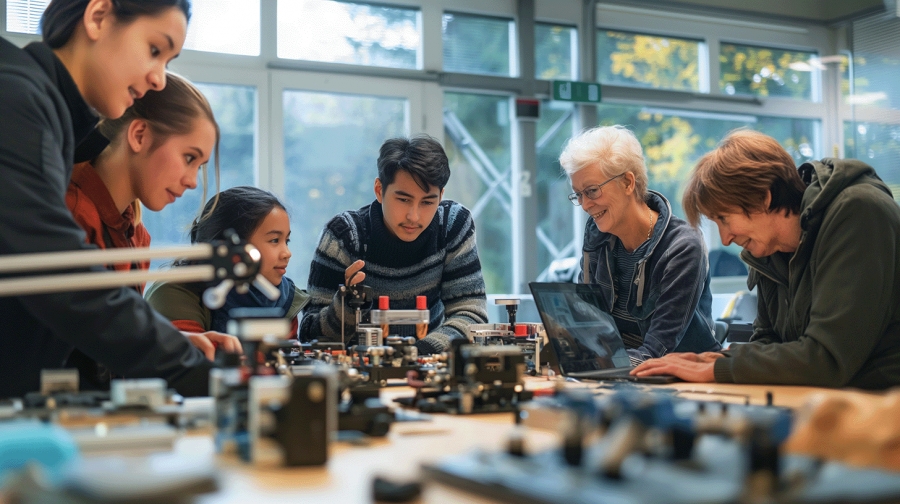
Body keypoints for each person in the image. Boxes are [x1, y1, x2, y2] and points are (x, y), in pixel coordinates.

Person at [0, 0, 215, 399]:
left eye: (168, 61)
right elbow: (59, 274)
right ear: (98, 17)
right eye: (155, 50)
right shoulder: (17, 99)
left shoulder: (50, 118)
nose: (159, 80)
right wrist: (200, 375)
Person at [632, 129, 900, 389]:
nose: (725, 239)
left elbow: (827, 358)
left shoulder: (857, 211)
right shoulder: (768, 249)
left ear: (762, 198)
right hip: (828, 400)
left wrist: (718, 369)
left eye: (724, 219)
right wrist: (714, 359)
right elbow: (769, 342)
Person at [64, 72, 242, 390]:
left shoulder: (135, 234)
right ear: (140, 135)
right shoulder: (71, 215)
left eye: (199, 166)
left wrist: (179, 340)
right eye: (188, 158)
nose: (191, 180)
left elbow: (109, 335)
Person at [300, 135, 488, 354]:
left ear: (441, 196)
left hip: (429, 369)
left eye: (428, 202)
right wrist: (347, 304)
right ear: (379, 190)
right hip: (359, 375)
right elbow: (309, 335)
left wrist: (416, 354)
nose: (414, 216)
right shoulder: (344, 236)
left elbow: (471, 315)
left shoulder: (452, 226)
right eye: (403, 199)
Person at [558, 125, 720, 366]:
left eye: (592, 191)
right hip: (617, 375)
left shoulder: (682, 247)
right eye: (578, 194)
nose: (585, 205)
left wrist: (594, 362)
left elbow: (657, 351)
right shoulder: (597, 238)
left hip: (679, 379)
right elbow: (589, 329)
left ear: (627, 182)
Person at [146, 186, 309, 338]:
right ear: (228, 245)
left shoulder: (285, 300)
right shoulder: (173, 294)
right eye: (274, 240)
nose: (287, 253)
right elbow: (190, 360)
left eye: (286, 241)